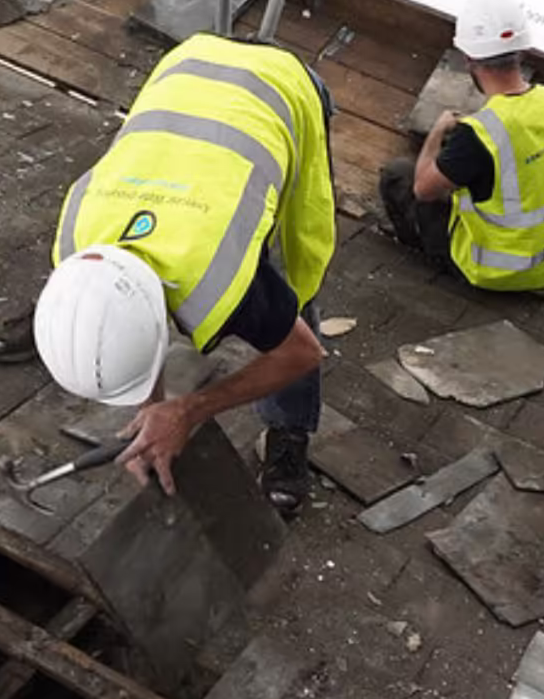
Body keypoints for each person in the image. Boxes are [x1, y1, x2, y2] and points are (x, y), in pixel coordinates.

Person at [23, 33, 336, 512]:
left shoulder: (219, 278)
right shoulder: (75, 245)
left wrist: (189, 410)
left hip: (284, 86)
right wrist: (154, 408)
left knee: (296, 280)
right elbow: (126, 314)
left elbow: (303, 353)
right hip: (189, 62)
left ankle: (289, 432)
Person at [380, 0, 544, 290]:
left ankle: (435, 265)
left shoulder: (478, 136)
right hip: (542, 264)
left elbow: (423, 189)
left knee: (397, 175)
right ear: (520, 52)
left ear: (469, 59)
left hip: (488, 270)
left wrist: (438, 131)